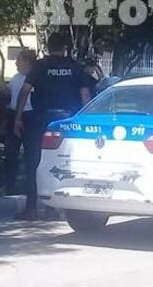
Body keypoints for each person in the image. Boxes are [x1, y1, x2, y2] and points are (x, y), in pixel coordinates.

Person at [14, 32, 92, 220]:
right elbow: (85, 97)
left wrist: (17, 118)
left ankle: (31, 208)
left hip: (40, 119)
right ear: (65, 48)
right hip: (66, 122)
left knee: (34, 161)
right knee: (62, 162)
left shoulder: (40, 66)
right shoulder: (74, 67)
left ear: (48, 46)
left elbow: (25, 91)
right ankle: (52, 208)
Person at [1, 48, 36, 194]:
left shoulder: (34, 78)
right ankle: (10, 184)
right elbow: (7, 92)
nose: (16, 62)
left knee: (30, 152)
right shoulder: (16, 77)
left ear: (27, 62)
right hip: (13, 113)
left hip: (28, 115)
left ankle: (30, 185)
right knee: (10, 152)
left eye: (19, 59)